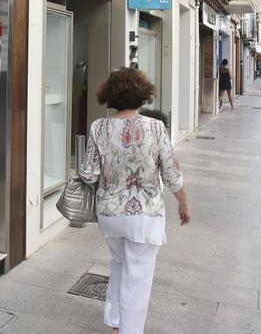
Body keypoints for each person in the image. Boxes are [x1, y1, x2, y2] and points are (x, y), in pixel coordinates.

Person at [80, 67, 189, 334]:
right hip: (145, 216)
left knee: (119, 264)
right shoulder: (155, 127)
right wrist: (183, 203)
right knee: (137, 279)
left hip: (110, 215)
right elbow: (171, 173)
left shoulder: (99, 127)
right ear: (142, 95)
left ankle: (116, 322)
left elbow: (88, 173)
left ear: (109, 95)